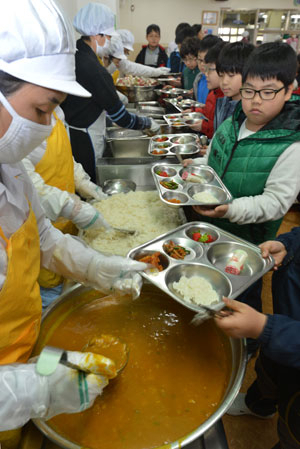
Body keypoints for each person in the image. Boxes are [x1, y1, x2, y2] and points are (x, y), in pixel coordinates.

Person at [0, 0, 148, 446]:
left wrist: (97, 267)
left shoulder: (9, 166)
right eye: (42, 109)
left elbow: (42, 237)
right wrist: (38, 389)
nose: (47, 127)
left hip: (25, 349)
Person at [184, 42, 300, 331]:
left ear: (289, 90)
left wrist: (230, 209)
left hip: (249, 244)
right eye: (248, 91)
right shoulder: (231, 123)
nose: (255, 101)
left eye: (268, 92)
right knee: (210, 288)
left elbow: (275, 203)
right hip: (213, 228)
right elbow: (211, 163)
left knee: (242, 296)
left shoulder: (291, 146)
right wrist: (195, 172)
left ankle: (247, 343)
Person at [215, 227, 300, 449]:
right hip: (284, 325)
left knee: (292, 432)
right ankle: (259, 407)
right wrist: (289, 245)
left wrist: (264, 327)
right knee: (268, 372)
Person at [23, 106, 111, 309]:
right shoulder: (17, 126)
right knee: (52, 295)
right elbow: (28, 184)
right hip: (38, 227)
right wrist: (71, 207)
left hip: (65, 225)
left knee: (68, 268)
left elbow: (65, 157)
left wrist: (83, 181)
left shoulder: (56, 112)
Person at [61, 4, 160, 183]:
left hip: (73, 130)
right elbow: (121, 118)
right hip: (86, 138)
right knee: (88, 181)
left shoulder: (76, 53)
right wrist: (147, 122)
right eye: (107, 36)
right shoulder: (95, 70)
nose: (109, 42)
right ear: (96, 35)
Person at [214, 41, 254, 131]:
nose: (224, 82)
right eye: (221, 75)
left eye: (231, 75)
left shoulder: (249, 111)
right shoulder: (223, 102)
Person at [189, 41, 225, 138]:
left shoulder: (226, 97)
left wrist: (204, 126)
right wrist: (193, 111)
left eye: (210, 69)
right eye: (199, 60)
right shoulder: (213, 93)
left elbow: (220, 129)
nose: (206, 74)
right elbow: (207, 112)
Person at [193, 34, 222, 104]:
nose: (202, 64)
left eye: (206, 61)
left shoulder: (218, 84)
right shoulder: (198, 79)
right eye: (200, 60)